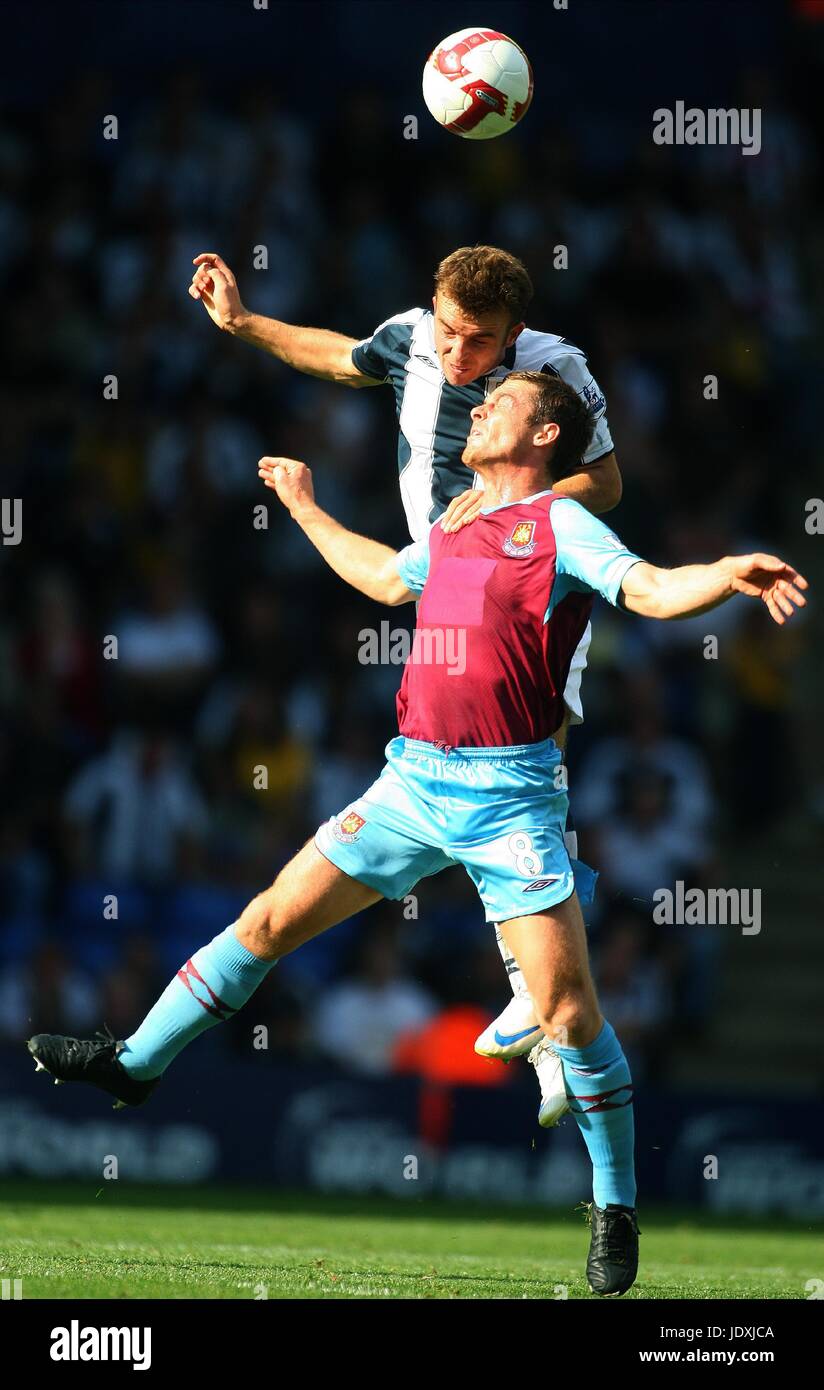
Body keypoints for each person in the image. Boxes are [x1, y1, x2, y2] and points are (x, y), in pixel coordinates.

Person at [28, 372, 807, 1295]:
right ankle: (135, 1065)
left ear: (547, 429)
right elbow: (384, 579)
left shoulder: (560, 524)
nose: (476, 407)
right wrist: (310, 509)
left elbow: (647, 589)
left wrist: (724, 574)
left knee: (568, 1014)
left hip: (510, 800)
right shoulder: (451, 524)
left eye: (499, 401)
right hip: (411, 781)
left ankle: (614, 1204)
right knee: (268, 920)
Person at [187, 242, 622, 1121]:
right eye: (454, 335)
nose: (463, 358)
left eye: (484, 344)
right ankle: (539, 989)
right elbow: (337, 357)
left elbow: (606, 482)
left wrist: (515, 509)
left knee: (530, 764)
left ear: (517, 335)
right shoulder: (409, 339)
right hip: (437, 588)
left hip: (524, 579)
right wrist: (241, 323)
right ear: (434, 309)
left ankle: (537, 1000)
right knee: (456, 773)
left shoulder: (557, 368)